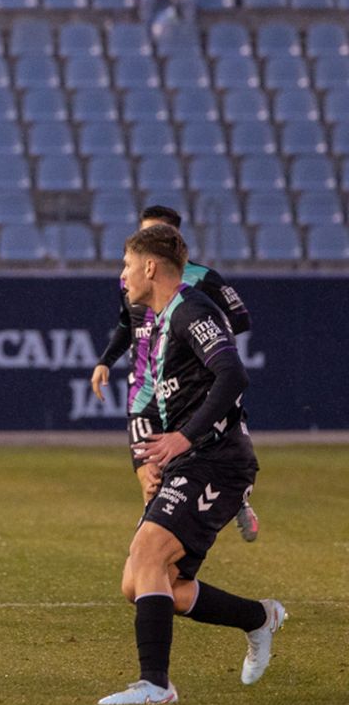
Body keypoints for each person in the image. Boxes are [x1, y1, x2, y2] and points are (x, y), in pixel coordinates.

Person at [96, 224, 285, 705]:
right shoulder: (158, 321)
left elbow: (233, 373)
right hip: (191, 461)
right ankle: (259, 618)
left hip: (217, 462)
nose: (123, 276)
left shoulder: (191, 310)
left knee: (150, 558)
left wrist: (183, 437)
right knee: (144, 584)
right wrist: (150, 454)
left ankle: (156, 685)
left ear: (150, 267)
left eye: (126, 265)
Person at [91, 206, 257, 537]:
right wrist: (105, 360)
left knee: (209, 448)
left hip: (188, 389)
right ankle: (153, 538)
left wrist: (205, 341)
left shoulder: (196, 289)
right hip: (145, 388)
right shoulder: (132, 284)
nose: (124, 274)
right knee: (149, 478)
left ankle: (228, 500)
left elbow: (239, 323)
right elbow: (126, 324)